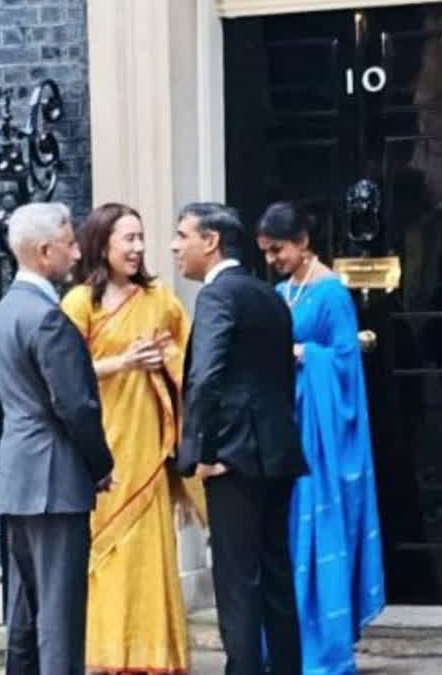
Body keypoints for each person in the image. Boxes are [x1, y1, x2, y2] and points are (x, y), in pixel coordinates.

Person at [60, 203, 207, 674]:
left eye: (141, 238)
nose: (139, 248)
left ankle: (152, 657)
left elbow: (192, 362)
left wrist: (165, 358)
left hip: (148, 445)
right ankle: (105, 657)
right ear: (103, 244)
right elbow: (66, 374)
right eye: (129, 239)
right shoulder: (79, 303)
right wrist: (122, 362)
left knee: (147, 553)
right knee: (105, 552)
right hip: (101, 449)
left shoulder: (160, 298)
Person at [171, 202, 307, 675]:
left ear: (211, 242)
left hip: (234, 458)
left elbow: (206, 379)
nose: (174, 245)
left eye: (182, 234)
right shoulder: (269, 295)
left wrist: (201, 453)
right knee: (275, 576)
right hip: (277, 452)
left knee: (236, 583)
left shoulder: (216, 297)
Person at [256, 201, 386, 674]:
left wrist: (305, 355)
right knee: (285, 537)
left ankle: (324, 651)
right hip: (288, 427)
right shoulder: (281, 291)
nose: (273, 259)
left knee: (320, 533)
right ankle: (286, 645)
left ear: (303, 242)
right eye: (268, 251)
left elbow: (347, 361)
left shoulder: (331, 294)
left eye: (280, 249)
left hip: (323, 439)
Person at [0, 202, 115, 675]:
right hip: (55, 483)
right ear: (44, 252)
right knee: (59, 619)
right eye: (69, 242)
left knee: (24, 616)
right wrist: (101, 465)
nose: (78, 252)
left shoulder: (5, 312)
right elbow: (76, 405)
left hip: (19, 478)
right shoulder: (47, 317)